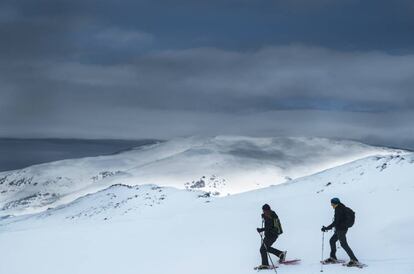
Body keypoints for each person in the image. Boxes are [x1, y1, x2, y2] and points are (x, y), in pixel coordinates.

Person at [321, 198, 359, 266]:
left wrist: (326, 228)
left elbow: (336, 222)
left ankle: (354, 260)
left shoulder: (338, 209)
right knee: (332, 241)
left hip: (341, 230)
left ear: (335, 204)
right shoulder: (341, 207)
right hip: (340, 229)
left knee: (344, 244)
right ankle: (333, 257)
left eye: (332, 204)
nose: (331, 205)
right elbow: (338, 221)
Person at [256, 204, 286, 269]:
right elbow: (268, 227)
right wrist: (264, 217)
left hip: (272, 235)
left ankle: (265, 265)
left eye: (264, 210)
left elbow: (269, 227)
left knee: (263, 249)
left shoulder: (271, 216)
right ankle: (281, 254)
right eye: (263, 211)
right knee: (266, 248)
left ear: (268, 210)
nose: (263, 212)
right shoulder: (268, 215)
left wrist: (261, 229)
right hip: (269, 235)